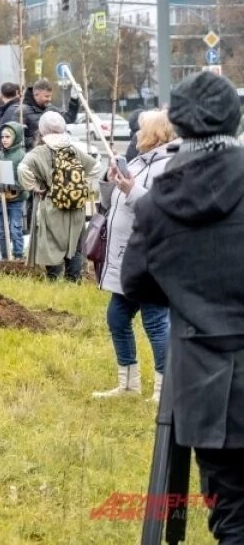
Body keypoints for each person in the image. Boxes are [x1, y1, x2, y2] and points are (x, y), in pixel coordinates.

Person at [121, 71, 244, 544]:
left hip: (205, 384)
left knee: (232, 511)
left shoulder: (156, 205)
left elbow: (137, 284)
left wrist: (189, 295)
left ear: (179, 126)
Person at [93, 110, 176, 401]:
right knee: (117, 318)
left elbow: (163, 209)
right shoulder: (139, 162)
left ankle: (165, 389)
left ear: (154, 133)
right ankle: (128, 386)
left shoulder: (168, 166)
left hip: (151, 257)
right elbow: (110, 203)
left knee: (155, 321)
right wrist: (109, 178)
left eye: (141, 130)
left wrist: (131, 189)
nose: (136, 135)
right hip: (127, 258)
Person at [17, 110, 98, 281]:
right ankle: (73, 281)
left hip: (51, 205)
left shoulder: (39, 152)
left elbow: (22, 169)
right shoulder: (73, 149)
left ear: (42, 130)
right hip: (75, 207)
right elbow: (95, 167)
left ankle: (53, 280)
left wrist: (35, 187)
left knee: (51, 244)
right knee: (74, 244)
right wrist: (79, 183)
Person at [0, 122, 28, 259]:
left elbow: (26, 179)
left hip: (16, 200)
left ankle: (18, 255)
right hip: (0, 198)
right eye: (2, 136)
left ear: (15, 138)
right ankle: (5, 256)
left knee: (15, 228)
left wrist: (14, 186)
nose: (4, 139)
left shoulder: (22, 156)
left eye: (8, 137)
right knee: (0, 229)